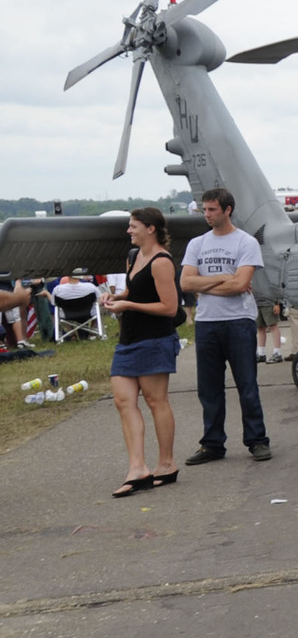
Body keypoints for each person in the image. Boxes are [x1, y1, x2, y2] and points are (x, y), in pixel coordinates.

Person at [180, 187, 270, 464]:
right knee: (209, 388)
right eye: (204, 209)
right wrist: (223, 280)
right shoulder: (197, 244)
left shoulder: (245, 243)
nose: (206, 214)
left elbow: (241, 284)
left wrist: (205, 285)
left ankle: (257, 440)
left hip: (238, 322)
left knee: (247, 384)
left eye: (212, 209)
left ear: (227, 210)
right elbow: (185, 283)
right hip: (207, 322)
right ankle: (212, 443)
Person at [99, 208, 181, 498]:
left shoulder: (162, 262)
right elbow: (136, 293)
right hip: (129, 338)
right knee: (123, 400)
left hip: (155, 339)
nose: (128, 231)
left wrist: (129, 306)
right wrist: (117, 297)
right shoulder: (133, 257)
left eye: (133, 226)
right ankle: (138, 468)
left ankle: (167, 464)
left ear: (151, 229)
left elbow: (169, 308)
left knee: (155, 401)